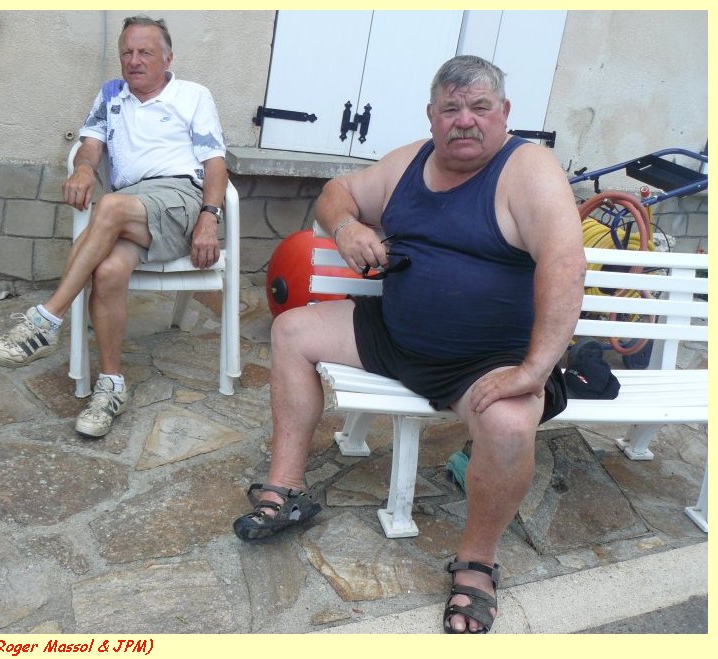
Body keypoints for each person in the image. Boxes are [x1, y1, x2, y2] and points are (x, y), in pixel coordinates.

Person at [232, 55, 586, 634]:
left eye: (479, 107)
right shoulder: (409, 162)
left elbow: (565, 264)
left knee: (508, 426)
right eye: (451, 109)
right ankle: (286, 488)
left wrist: (535, 369)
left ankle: (476, 564)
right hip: (394, 336)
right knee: (291, 330)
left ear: (504, 113)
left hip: (484, 360)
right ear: (431, 115)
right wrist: (347, 226)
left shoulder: (528, 169)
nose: (464, 120)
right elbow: (337, 190)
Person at [0, 15, 228, 438]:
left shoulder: (193, 95)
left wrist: (210, 216)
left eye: (145, 52)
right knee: (109, 271)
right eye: (127, 52)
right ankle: (111, 387)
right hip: (133, 209)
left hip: (178, 199)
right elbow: (90, 146)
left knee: (109, 205)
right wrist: (82, 169)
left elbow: (215, 163)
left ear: (168, 59)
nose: (134, 60)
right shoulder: (111, 94)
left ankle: (45, 321)